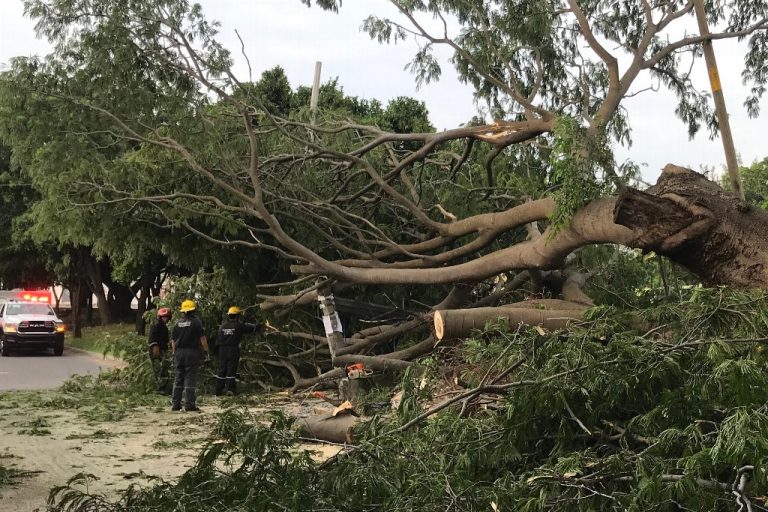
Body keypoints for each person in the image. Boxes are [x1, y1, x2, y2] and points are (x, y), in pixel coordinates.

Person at [214, 306, 276, 396]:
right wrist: (263, 326)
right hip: (232, 349)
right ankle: (230, 389)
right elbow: (250, 329)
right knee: (231, 369)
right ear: (238, 315)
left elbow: (219, 338)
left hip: (222, 349)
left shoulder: (222, 326)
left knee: (222, 369)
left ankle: (218, 390)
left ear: (229, 315)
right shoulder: (238, 325)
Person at [171, 299, 209, 412]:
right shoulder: (196, 322)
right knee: (190, 378)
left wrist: (174, 353)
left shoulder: (177, 323)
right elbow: (202, 339)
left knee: (178, 377)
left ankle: (175, 404)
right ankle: (190, 404)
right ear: (193, 310)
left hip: (179, 352)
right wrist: (206, 351)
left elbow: (173, 341)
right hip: (191, 352)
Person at [147, 307, 171, 394]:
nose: (166, 319)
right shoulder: (157, 326)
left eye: (167, 317)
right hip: (156, 351)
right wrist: (155, 347)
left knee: (164, 369)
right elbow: (152, 339)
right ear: (160, 317)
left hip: (162, 350)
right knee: (159, 370)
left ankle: (162, 388)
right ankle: (159, 388)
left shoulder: (163, 327)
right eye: (164, 317)